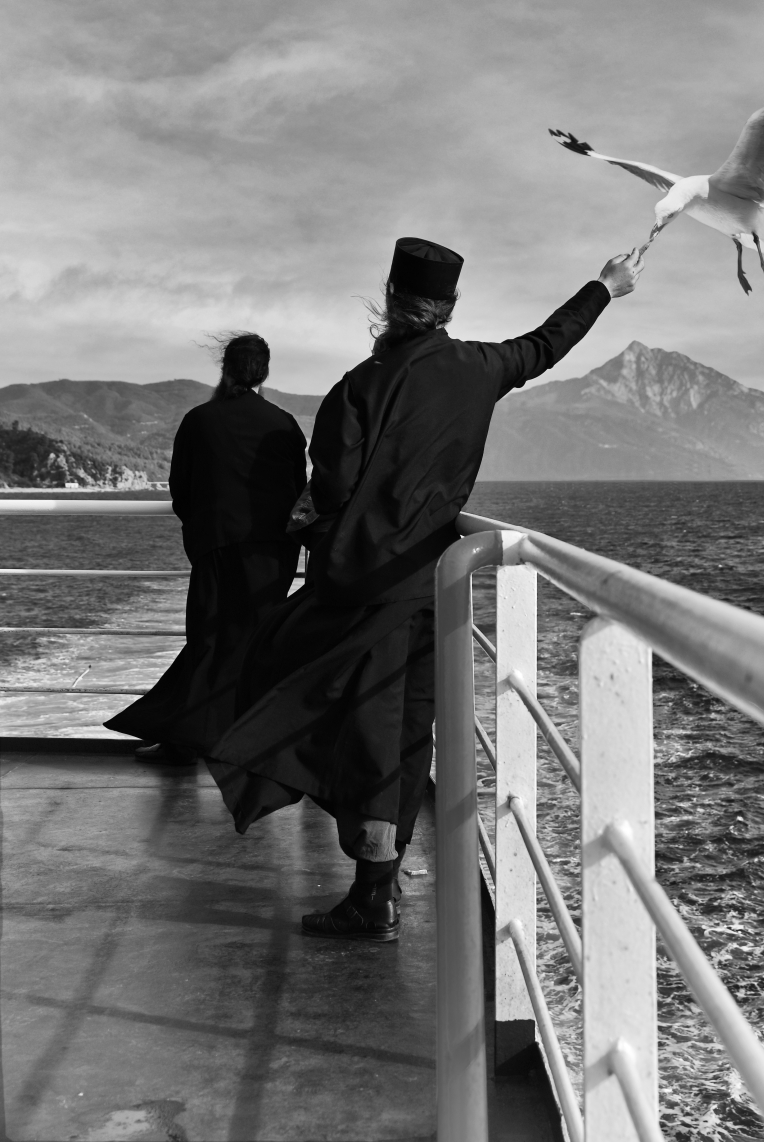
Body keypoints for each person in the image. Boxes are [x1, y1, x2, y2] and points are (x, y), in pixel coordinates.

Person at [205, 238, 643, 940]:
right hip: (432, 583)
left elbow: (334, 485)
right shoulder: (481, 367)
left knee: (324, 706)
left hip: (359, 584)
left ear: (390, 300)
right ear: (450, 306)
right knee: (409, 729)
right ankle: (378, 884)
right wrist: (604, 287)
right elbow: (546, 344)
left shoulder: (358, 385)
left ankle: (372, 892)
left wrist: (316, 516)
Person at [106, 333, 308, 763]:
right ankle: (248, 741)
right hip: (272, 553)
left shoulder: (199, 420)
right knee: (254, 641)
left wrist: (203, 528)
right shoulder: (284, 423)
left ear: (225, 368)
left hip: (216, 544)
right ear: (264, 372)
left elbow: (181, 488)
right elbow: (298, 491)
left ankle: (184, 740)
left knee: (208, 638)